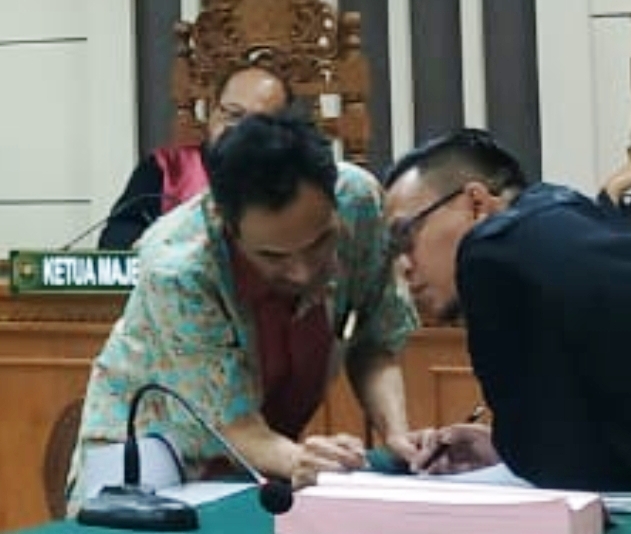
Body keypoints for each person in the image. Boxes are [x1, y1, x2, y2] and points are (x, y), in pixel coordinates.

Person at [66, 110, 420, 515]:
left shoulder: (358, 201)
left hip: (266, 458)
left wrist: (397, 435)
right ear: (225, 223)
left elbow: (376, 341)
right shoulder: (178, 267)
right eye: (273, 256)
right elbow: (233, 425)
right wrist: (301, 460)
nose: (303, 272)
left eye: (320, 243)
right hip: (152, 467)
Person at [384, 127, 631, 491]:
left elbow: (559, 471)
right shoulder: (569, 215)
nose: (403, 266)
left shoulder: (490, 252)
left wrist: (520, 447)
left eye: (406, 235)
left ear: (476, 204)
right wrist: (504, 446)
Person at [97, 63, 292, 249]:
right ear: (212, 111)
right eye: (233, 114)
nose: (240, 130)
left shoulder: (294, 177)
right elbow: (117, 238)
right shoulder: (165, 168)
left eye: (257, 122)